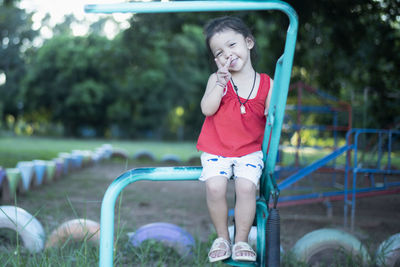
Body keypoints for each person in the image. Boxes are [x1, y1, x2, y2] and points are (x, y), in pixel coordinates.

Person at [197, 16, 273, 262]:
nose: (227, 54)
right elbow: (207, 109)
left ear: (248, 43)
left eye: (232, 45)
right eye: (219, 52)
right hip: (216, 146)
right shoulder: (216, 80)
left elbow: (271, 118)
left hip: (248, 150)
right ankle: (222, 237)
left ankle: (241, 240)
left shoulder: (266, 83)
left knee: (246, 187)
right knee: (215, 186)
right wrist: (220, 84)